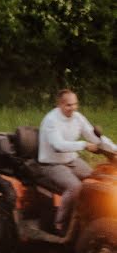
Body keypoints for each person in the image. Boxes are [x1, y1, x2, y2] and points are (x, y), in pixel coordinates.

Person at [37, 89, 100, 233]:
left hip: (71, 160)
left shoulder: (77, 117)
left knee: (96, 179)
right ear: (60, 104)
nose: (73, 108)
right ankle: (60, 225)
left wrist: (114, 150)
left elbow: (95, 137)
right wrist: (83, 145)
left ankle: (91, 216)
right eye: (69, 105)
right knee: (75, 187)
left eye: (75, 104)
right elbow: (58, 145)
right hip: (51, 164)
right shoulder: (51, 120)